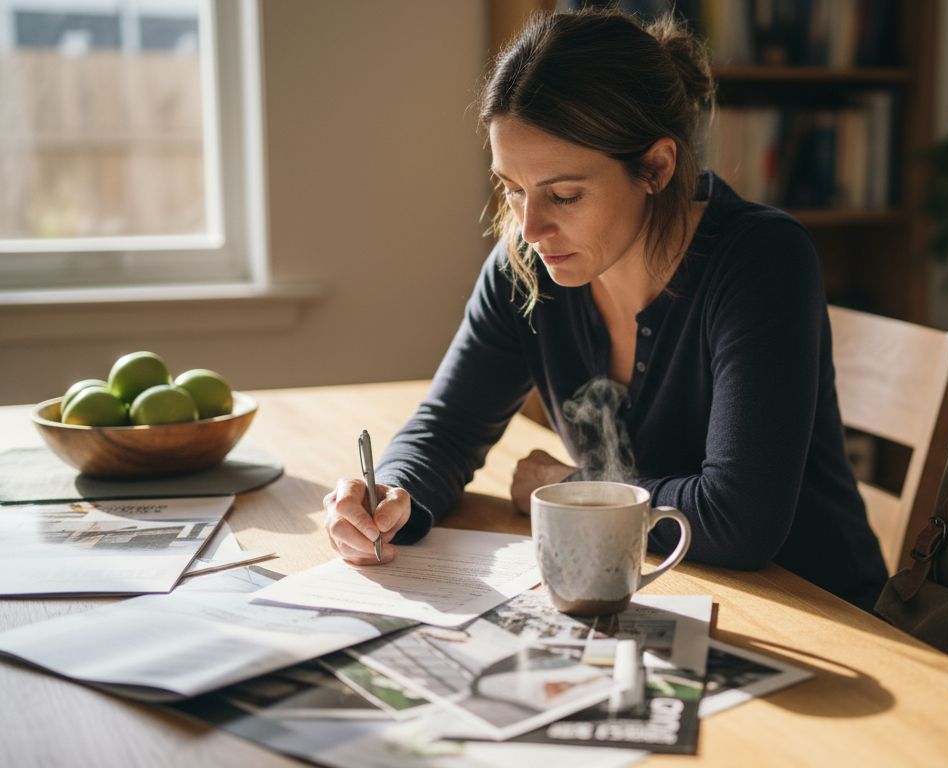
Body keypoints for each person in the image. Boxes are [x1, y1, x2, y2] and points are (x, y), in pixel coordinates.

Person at [322, 8, 886, 609]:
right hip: (651, 590)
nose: (530, 227)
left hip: (817, 610)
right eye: (513, 188)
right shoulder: (526, 269)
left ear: (656, 167)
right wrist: (390, 494)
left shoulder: (760, 261)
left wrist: (571, 488)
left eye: (565, 195)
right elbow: (448, 428)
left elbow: (737, 520)